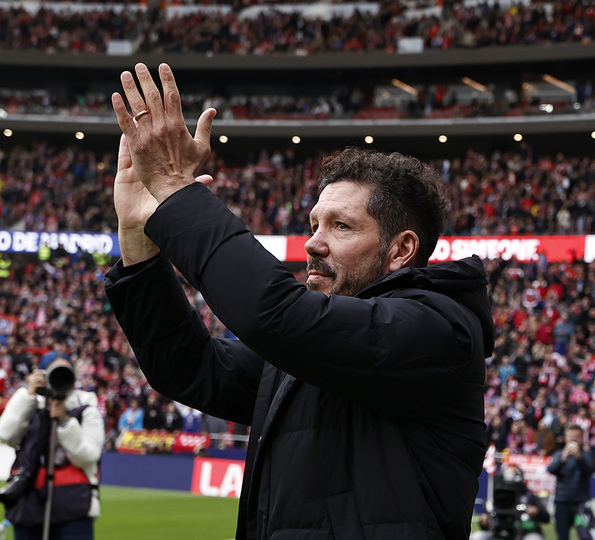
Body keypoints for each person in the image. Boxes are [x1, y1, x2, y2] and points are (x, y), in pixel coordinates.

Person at [105, 63, 495, 539]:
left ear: (401, 250)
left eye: (341, 226)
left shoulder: (438, 329)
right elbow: (190, 368)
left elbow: (273, 314)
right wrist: (139, 241)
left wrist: (174, 191)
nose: (312, 243)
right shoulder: (305, 354)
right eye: (314, 224)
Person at [0, 352, 105, 540]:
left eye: (65, 372)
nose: (60, 378)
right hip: (28, 503)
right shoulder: (31, 402)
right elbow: (6, 435)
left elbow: (88, 456)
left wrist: (65, 422)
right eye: (54, 372)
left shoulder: (86, 407)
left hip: (73, 503)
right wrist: (28, 395)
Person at [471, 466, 550, 540]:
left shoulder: (528, 496)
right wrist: (484, 521)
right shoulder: (497, 496)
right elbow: (486, 524)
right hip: (498, 532)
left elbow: (546, 518)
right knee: (478, 537)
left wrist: (537, 511)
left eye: (512, 475)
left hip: (524, 532)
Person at [547, 424, 594, 540]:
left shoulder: (586, 454)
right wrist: (562, 459)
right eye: (571, 436)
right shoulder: (559, 454)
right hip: (562, 501)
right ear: (566, 438)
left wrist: (579, 457)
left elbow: (590, 471)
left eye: (577, 436)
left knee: (585, 535)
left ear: (581, 438)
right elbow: (551, 470)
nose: (574, 438)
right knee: (562, 536)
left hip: (580, 502)